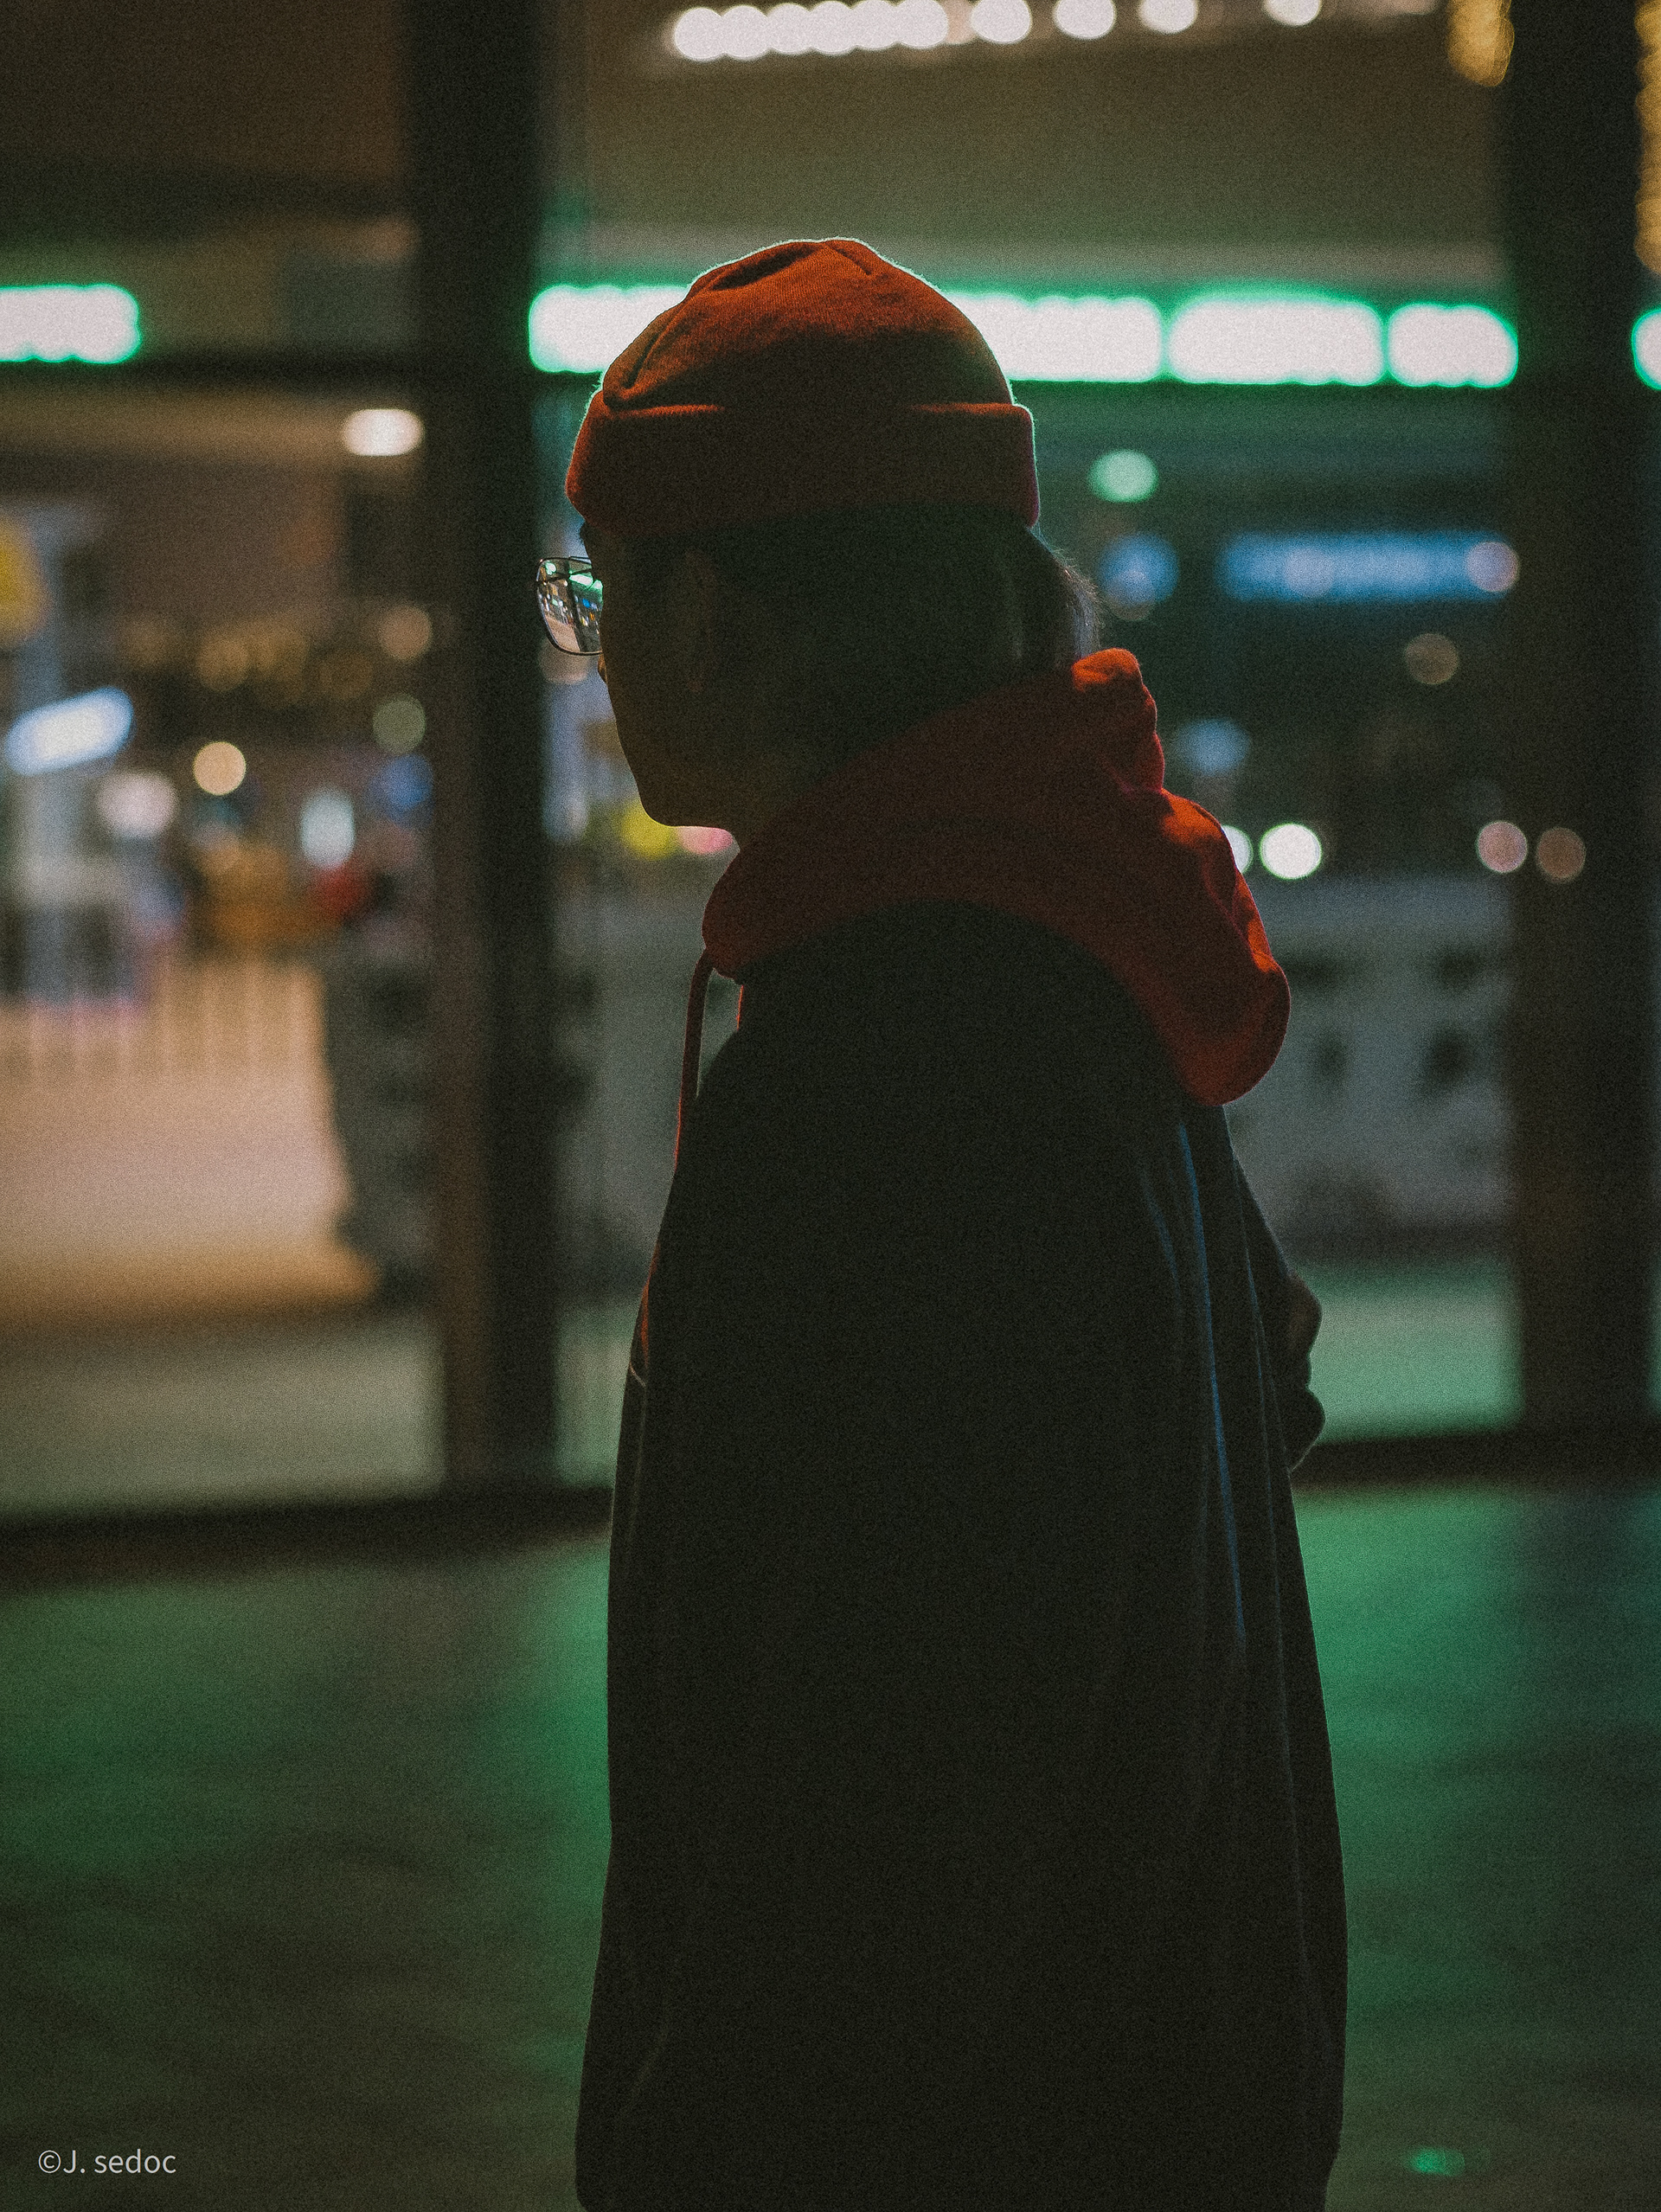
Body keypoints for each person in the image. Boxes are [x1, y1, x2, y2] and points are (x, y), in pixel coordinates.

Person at [548, 238, 1346, 2212]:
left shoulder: (904, 1055)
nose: (593, 655)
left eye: (598, 598)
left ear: (714, 617)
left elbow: (888, 1793)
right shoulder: (1068, 941)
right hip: (1156, 2094)